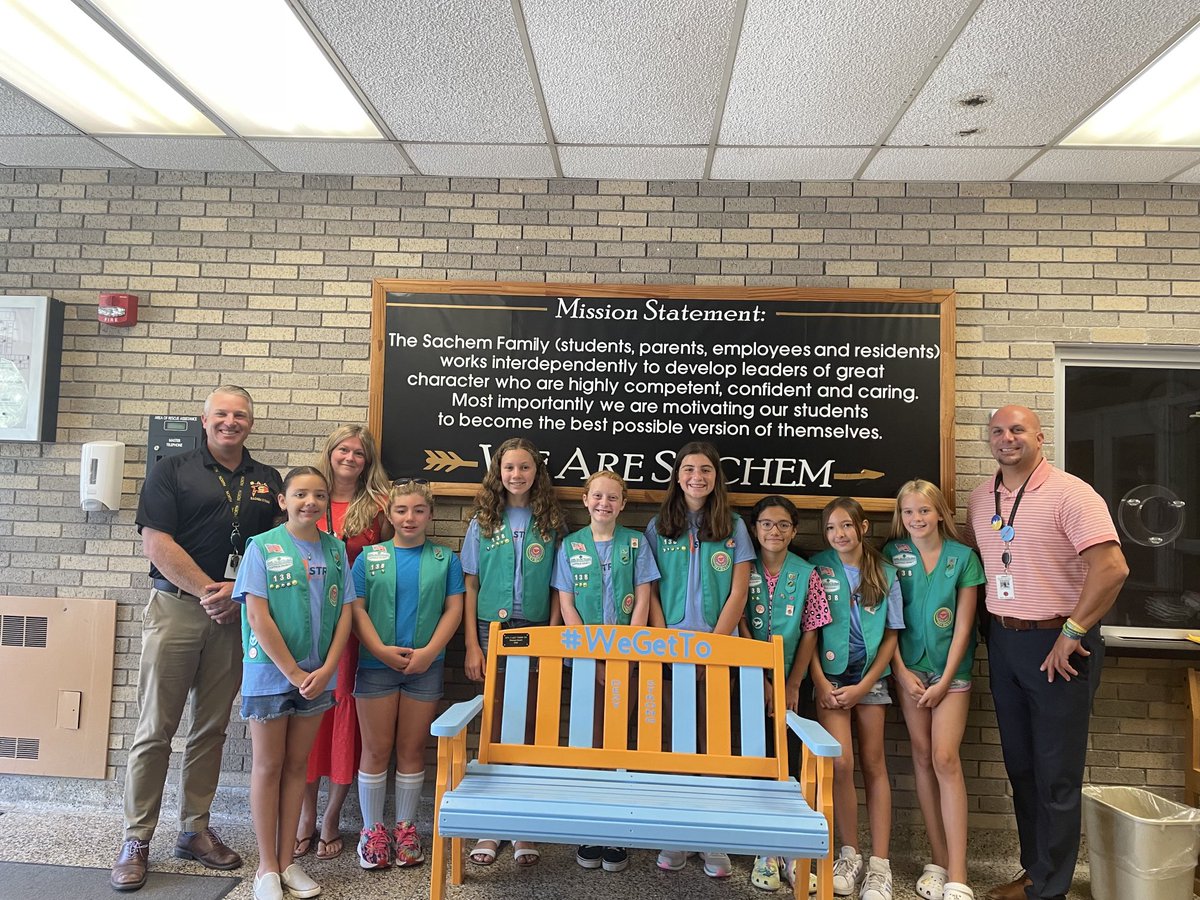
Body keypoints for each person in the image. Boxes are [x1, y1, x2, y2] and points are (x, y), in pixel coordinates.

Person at [111, 385, 283, 893]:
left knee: (211, 729)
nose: (232, 422)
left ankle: (194, 830)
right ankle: (137, 837)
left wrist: (238, 592)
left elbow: (273, 545)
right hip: (177, 610)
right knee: (154, 730)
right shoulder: (171, 470)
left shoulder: (267, 479)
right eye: (222, 414)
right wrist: (211, 590)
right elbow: (156, 541)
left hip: (235, 620)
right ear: (204, 420)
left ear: (251, 422)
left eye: (241, 415)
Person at [966, 406, 1128, 900]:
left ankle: (1050, 887)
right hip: (1005, 641)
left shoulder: (1071, 494)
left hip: (1061, 644)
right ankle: (1035, 871)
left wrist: (1073, 631)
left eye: (1017, 430)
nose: (1006, 439)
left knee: (1056, 772)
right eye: (997, 431)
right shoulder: (980, 498)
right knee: (1021, 766)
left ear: (1039, 437)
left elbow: (1112, 568)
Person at [232, 466, 354, 900]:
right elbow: (257, 616)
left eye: (319, 496)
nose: (311, 503)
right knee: (268, 766)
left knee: (298, 769)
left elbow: (346, 614)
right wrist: (294, 672)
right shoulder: (261, 548)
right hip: (271, 676)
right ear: (283, 501)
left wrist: (327, 668)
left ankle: (288, 863)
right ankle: (265, 868)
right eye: (301, 494)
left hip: (318, 677)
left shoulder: (336, 550)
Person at [646, 440, 755, 878]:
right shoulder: (659, 526)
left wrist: (715, 645)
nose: (697, 476)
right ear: (677, 475)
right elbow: (649, 589)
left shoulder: (734, 527)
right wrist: (664, 641)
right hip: (670, 649)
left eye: (706, 469)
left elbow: (739, 591)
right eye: (689, 468)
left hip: (717, 648)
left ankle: (712, 840)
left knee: (712, 742)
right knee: (675, 741)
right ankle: (675, 835)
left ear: (716, 477)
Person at [461, 437, 566, 867]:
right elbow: (469, 586)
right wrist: (472, 643)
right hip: (493, 628)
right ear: (497, 472)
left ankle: (524, 827)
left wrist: (556, 636)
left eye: (525, 467)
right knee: (496, 721)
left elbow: (563, 587)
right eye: (509, 468)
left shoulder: (552, 521)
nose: (516, 475)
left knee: (532, 724)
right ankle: (490, 825)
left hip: (539, 628)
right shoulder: (483, 521)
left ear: (537, 472)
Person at [351, 478, 465, 871]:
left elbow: (454, 609)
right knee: (376, 750)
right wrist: (380, 650)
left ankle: (406, 829)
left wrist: (430, 652)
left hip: (425, 668)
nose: (410, 517)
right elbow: (357, 610)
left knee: (413, 751)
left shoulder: (445, 559)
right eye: (401, 510)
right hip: (374, 666)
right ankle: (372, 831)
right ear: (389, 514)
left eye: (419, 510)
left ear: (430, 514)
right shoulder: (369, 558)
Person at [552, 470, 660, 874]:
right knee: (589, 737)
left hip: (628, 659)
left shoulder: (636, 543)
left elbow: (644, 599)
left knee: (620, 734)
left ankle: (616, 828)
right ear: (585, 499)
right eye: (597, 496)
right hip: (584, 660)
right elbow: (567, 605)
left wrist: (624, 656)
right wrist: (593, 657)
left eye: (612, 498)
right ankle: (589, 826)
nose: (604, 504)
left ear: (623, 503)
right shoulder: (570, 545)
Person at [295, 425, 392, 862]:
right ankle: (303, 818)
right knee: (306, 716)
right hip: (307, 625)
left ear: (368, 460)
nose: (350, 457)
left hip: (354, 629)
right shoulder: (308, 497)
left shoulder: (375, 507)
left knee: (342, 719)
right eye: (343, 449)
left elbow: (390, 562)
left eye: (359, 452)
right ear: (329, 451)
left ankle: (332, 817)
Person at [884, 480, 985, 900]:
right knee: (922, 758)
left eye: (924, 511)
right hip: (908, 671)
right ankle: (937, 860)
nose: (916, 519)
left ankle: (958, 873)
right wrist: (900, 670)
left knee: (946, 758)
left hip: (951, 675)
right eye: (908, 512)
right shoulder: (892, 556)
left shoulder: (963, 558)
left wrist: (945, 679)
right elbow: (883, 620)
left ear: (940, 513)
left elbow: (965, 624)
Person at [809, 497, 903, 900]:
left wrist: (867, 685)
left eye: (846, 526)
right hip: (829, 679)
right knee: (841, 764)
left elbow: (892, 633)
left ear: (863, 527)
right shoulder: (817, 567)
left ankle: (880, 865)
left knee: (873, 762)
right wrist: (818, 679)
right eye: (831, 528)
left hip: (870, 681)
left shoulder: (884, 571)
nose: (839, 535)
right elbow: (808, 630)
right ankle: (849, 854)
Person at [742, 495, 831, 894]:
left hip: (793, 685)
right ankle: (763, 849)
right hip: (749, 681)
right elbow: (740, 623)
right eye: (765, 524)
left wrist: (793, 683)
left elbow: (811, 629)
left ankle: (793, 851)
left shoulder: (806, 572)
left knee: (793, 763)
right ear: (754, 529)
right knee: (757, 760)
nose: (773, 532)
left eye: (782, 525)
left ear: (794, 530)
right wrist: (760, 679)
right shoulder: (742, 569)